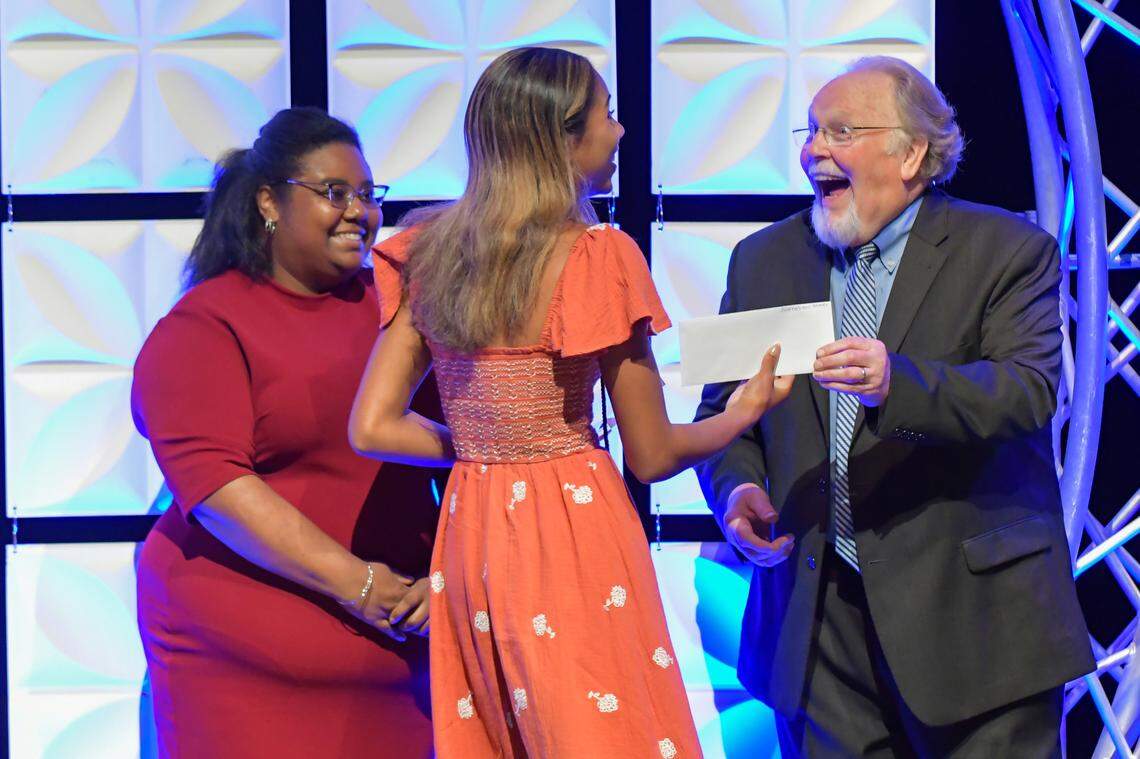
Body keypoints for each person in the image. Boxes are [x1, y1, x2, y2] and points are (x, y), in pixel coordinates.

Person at [349, 46, 791, 757]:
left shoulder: (430, 251)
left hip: (473, 527)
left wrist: (481, 444)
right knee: (597, 726)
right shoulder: (596, 257)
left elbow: (371, 425)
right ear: (559, 139)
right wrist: (741, 414)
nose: (619, 133)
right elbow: (651, 454)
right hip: (571, 526)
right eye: (606, 116)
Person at [695, 56, 1094, 757]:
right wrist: (738, 487)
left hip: (976, 628)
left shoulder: (1007, 251)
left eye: (839, 130)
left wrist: (896, 383)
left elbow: (1029, 392)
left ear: (911, 154)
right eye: (811, 130)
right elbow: (724, 411)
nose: (812, 149)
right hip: (819, 629)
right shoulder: (763, 260)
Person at [132, 107, 440, 757]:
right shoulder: (205, 326)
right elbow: (216, 487)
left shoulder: (398, 313)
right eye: (334, 193)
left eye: (368, 194)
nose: (359, 211)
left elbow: (462, 441)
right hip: (240, 667)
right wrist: (359, 584)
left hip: (397, 659)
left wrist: (444, 581)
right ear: (269, 202)